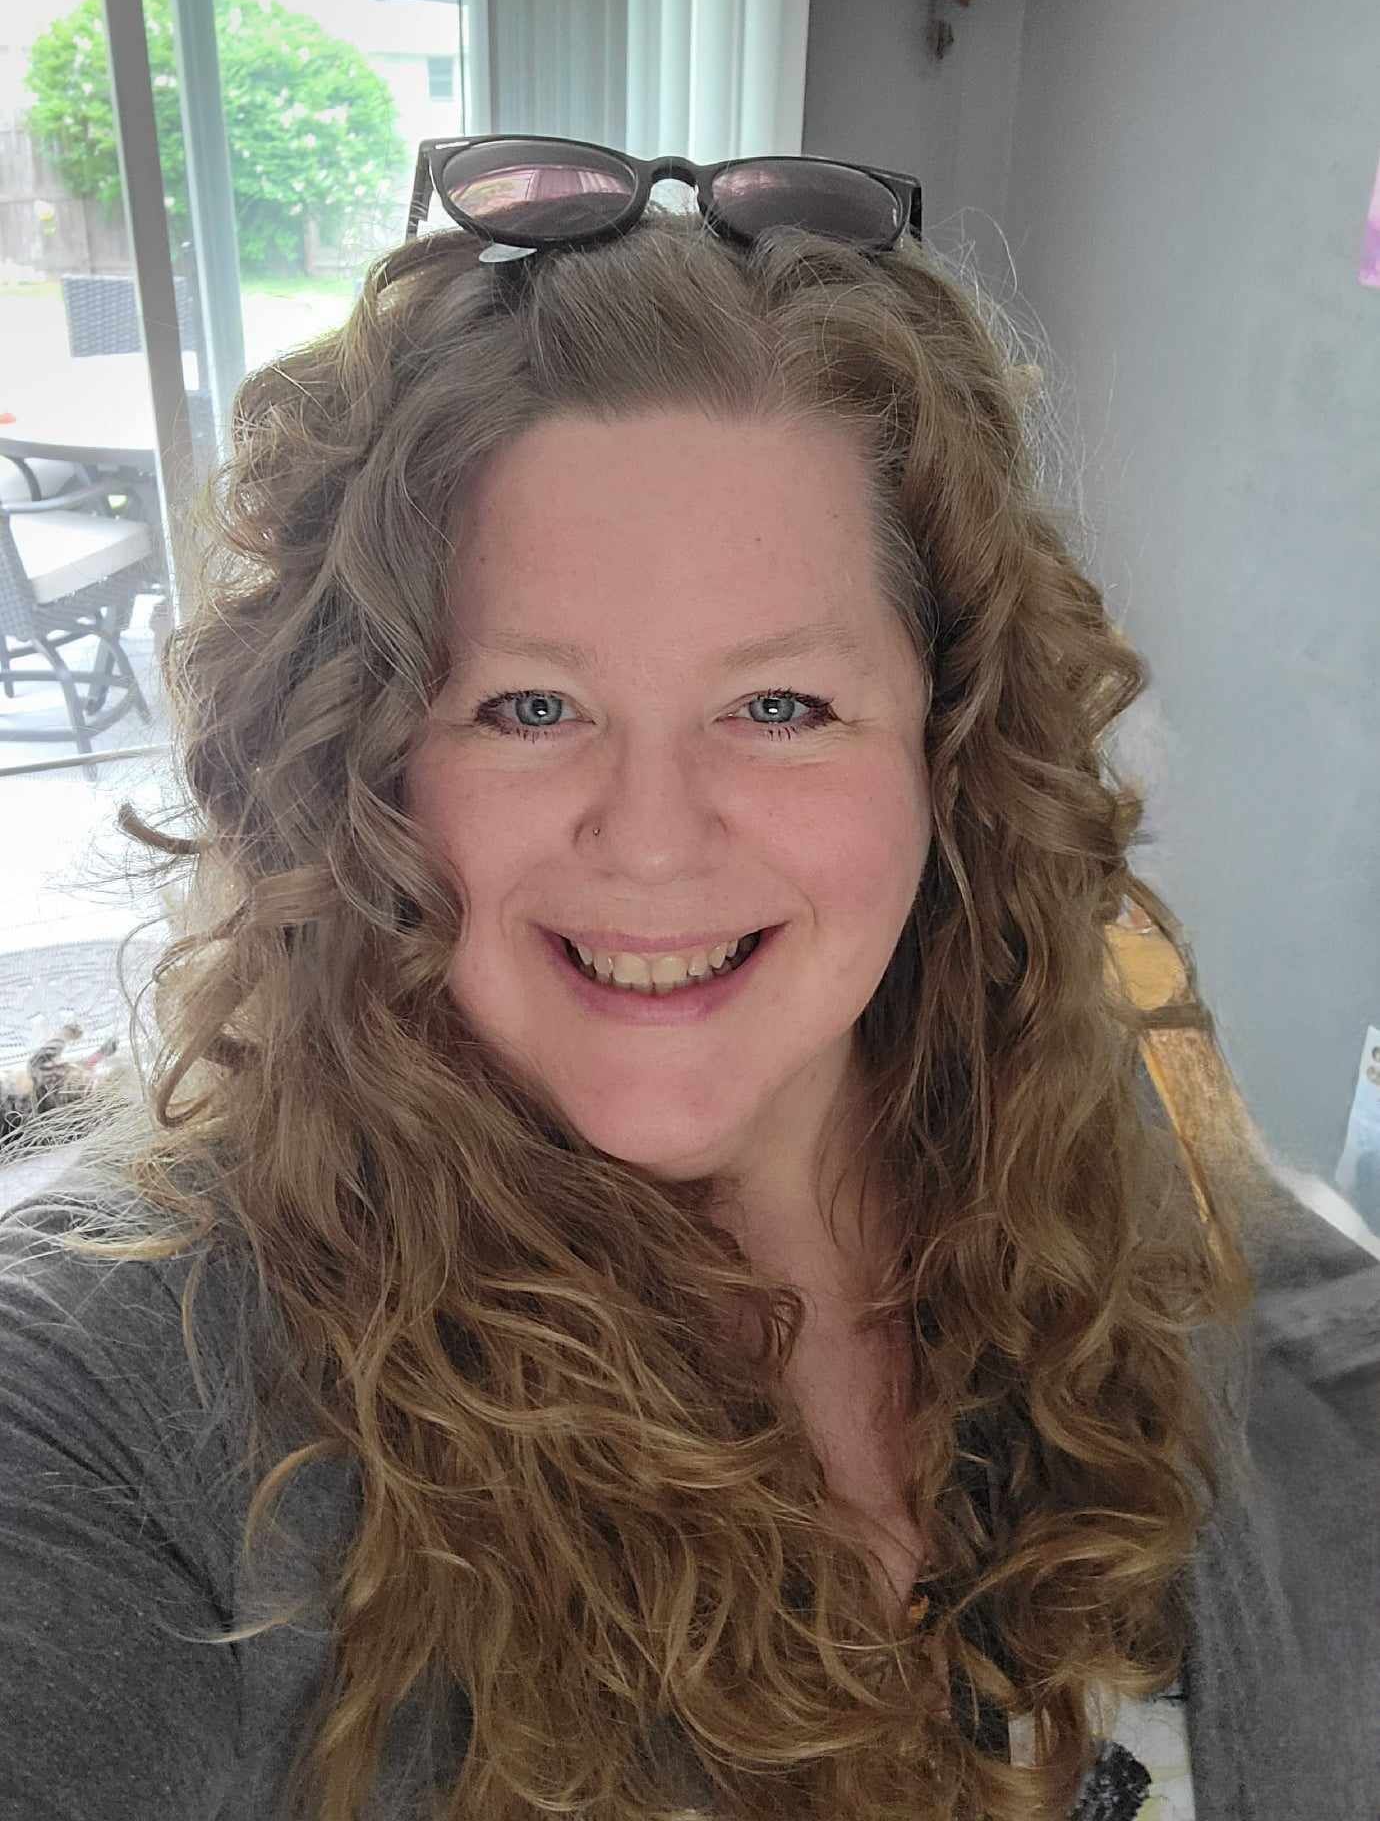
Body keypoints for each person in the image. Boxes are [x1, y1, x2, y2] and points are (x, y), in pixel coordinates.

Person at [0, 141, 1375, 1821]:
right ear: (363, 763)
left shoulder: (1091, 1159)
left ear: (950, 751)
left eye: (779, 706)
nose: (652, 843)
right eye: (527, 707)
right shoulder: (115, 1397)